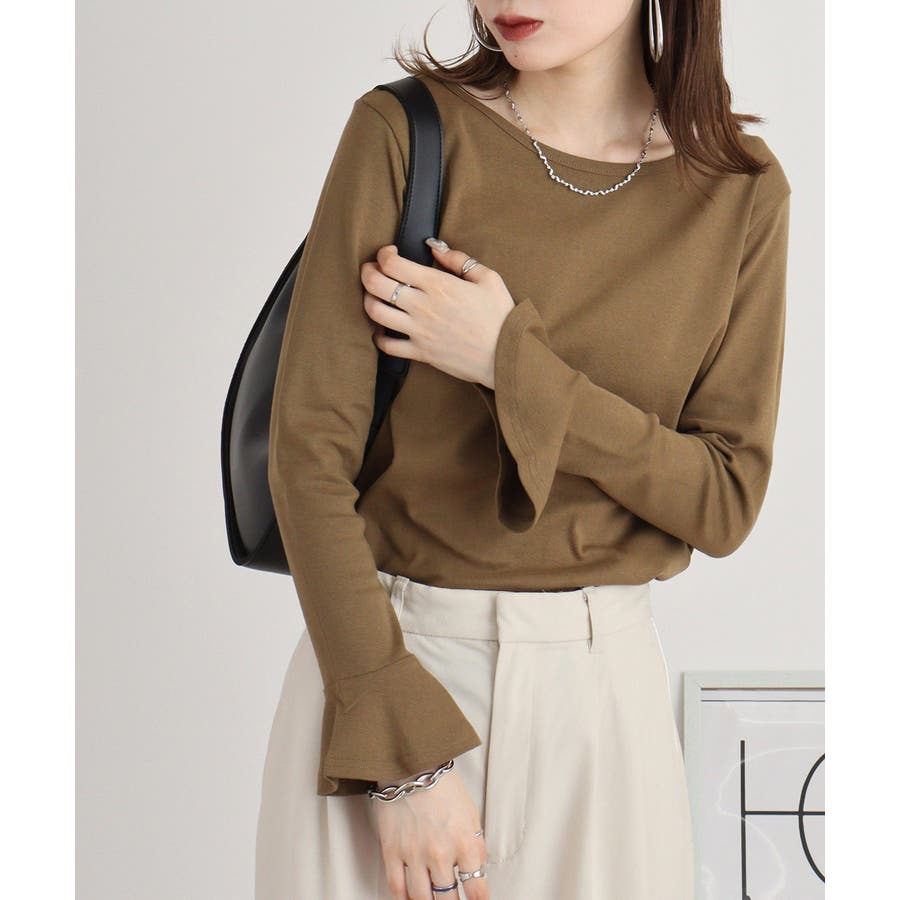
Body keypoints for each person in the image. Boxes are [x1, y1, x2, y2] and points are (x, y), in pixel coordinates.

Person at [255, 0, 791, 897]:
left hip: (603, 708)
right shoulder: (404, 133)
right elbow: (307, 457)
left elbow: (724, 499)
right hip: (387, 668)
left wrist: (509, 362)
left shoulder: (741, 191)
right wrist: (402, 758)